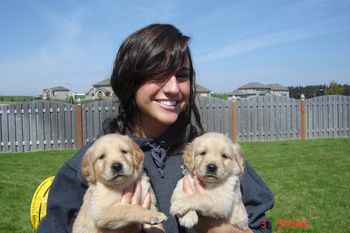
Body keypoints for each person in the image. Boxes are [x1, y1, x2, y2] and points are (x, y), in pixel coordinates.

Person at [38, 23, 274, 233]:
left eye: (182, 75)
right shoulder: (82, 169)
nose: (173, 88)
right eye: (158, 74)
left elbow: (261, 225)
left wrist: (216, 227)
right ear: (130, 81)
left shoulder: (217, 154)